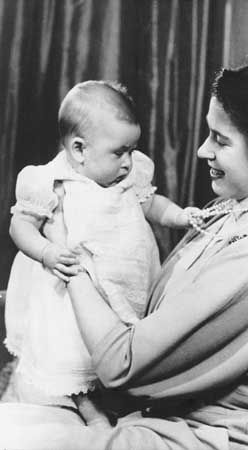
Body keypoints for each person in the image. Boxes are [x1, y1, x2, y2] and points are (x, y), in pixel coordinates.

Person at [0, 61, 248, 449]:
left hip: (202, 440)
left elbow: (120, 363)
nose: (201, 150)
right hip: (150, 416)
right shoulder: (233, 211)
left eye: (220, 140)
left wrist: (64, 248)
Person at [3, 80, 197, 405]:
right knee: (75, 347)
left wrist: (180, 216)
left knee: (121, 339)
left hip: (125, 276)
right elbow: (20, 227)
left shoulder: (129, 175)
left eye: (132, 151)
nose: (128, 162)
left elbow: (151, 204)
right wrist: (48, 252)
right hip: (71, 288)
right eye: (119, 152)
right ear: (79, 149)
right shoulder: (51, 183)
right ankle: (86, 405)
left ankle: (118, 391)